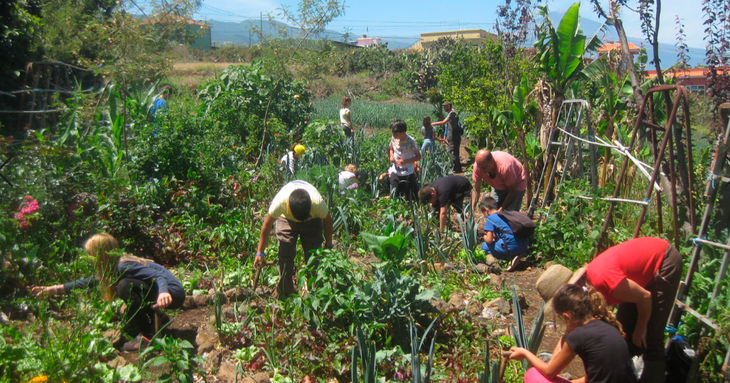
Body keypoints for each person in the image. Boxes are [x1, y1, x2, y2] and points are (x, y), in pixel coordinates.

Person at [31, 233, 185, 351]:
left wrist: (163, 292)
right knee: (125, 286)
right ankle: (160, 320)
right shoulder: (114, 267)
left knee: (124, 286)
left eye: (91, 254)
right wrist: (56, 289)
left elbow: (158, 276)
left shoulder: (123, 266)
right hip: (163, 293)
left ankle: (147, 336)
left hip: (172, 294)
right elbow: (91, 281)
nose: (90, 259)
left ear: (101, 254)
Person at [583, 237, 681, 383]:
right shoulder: (591, 286)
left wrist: (641, 327)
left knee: (651, 335)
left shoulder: (605, 281)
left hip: (664, 260)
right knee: (623, 332)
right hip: (640, 273)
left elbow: (645, 297)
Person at [508, 284, 637, 383]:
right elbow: (598, 375)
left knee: (533, 374)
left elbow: (549, 371)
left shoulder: (578, 336)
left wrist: (525, 353)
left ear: (567, 317)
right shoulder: (607, 327)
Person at [254, 180, 333, 298]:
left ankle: (315, 291)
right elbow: (266, 225)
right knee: (285, 253)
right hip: (286, 219)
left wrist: (329, 244)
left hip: (311, 220)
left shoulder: (317, 204)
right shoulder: (280, 203)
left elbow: (327, 222)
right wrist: (260, 253)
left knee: (314, 254)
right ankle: (286, 290)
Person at [479, 196, 528, 271]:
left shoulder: (490, 218)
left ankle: (495, 264)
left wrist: (484, 237)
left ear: (486, 210)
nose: (484, 216)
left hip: (510, 247)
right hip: (523, 245)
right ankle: (515, 256)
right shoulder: (505, 214)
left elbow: (489, 240)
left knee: (485, 246)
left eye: (483, 213)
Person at [387, 119, 421, 201]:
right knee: (394, 193)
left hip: (408, 171)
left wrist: (405, 161)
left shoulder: (411, 141)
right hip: (396, 170)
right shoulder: (394, 138)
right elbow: (390, 148)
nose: (393, 135)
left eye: (395, 133)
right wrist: (391, 156)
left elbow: (418, 157)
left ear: (402, 132)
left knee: (410, 196)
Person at [431, 101, 462, 173]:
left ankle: (455, 169)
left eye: (445, 106)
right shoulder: (452, 113)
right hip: (453, 136)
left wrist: (432, 124)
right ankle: (457, 169)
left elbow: (443, 122)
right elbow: (446, 126)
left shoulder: (452, 113)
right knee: (454, 152)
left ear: (449, 106)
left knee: (452, 152)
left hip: (454, 136)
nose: (444, 108)